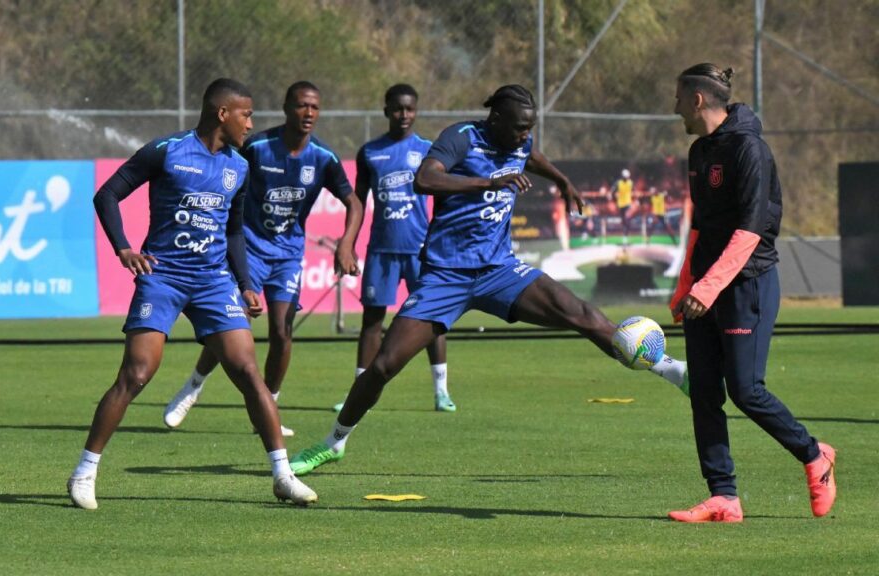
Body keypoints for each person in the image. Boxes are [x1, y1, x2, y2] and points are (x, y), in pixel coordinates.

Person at [289, 85, 690, 476]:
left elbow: (531, 155)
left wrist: (562, 180)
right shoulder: (461, 138)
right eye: (517, 128)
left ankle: (674, 370)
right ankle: (334, 442)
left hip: (500, 271)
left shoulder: (518, 142)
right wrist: (487, 182)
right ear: (495, 119)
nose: (523, 136)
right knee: (384, 366)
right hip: (447, 275)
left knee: (582, 314)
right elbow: (425, 180)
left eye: (528, 128)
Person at [67, 78, 317, 510]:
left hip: (212, 281)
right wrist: (123, 248)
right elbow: (107, 194)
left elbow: (234, 230)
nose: (251, 123)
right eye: (247, 114)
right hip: (163, 277)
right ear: (223, 113)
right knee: (137, 373)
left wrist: (246, 284)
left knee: (247, 372)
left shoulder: (239, 167)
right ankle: (84, 471)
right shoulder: (166, 151)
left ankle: (282, 474)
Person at [667, 64, 835, 522]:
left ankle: (815, 455)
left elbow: (751, 230)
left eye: (679, 97)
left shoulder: (750, 150)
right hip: (706, 288)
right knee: (703, 391)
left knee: (746, 390)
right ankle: (724, 496)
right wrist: (686, 286)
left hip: (747, 284)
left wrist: (709, 285)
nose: (674, 106)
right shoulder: (699, 150)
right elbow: (700, 227)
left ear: (698, 100)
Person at [162, 81, 364, 436]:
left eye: (315, 107)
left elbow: (354, 202)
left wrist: (346, 244)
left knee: (282, 333)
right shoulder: (258, 147)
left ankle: (267, 408)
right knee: (231, 323)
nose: (309, 113)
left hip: (287, 256)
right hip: (249, 249)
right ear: (287, 108)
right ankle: (194, 385)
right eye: (302, 105)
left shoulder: (323, 157)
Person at [334, 83, 455, 414]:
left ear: (416, 111)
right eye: (398, 108)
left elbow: (444, 200)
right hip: (381, 252)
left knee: (432, 319)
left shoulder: (429, 151)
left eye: (410, 109)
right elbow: (357, 202)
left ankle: (441, 392)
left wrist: (441, 242)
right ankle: (357, 392)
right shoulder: (371, 152)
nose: (404, 115)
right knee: (372, 321)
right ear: (386, 110)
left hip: (421, 253)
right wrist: (349, 245)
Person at [610, 168, 634, 240]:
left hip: (628, 203)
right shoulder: (618, 183)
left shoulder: (630, 183)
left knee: (627, 218)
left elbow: (633, 190)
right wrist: (615, 198)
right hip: (620, 204)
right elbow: (612, 191)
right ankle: (624, 235)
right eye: (625, 177)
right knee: (623, 220)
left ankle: (626, 235)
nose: (626, 178)